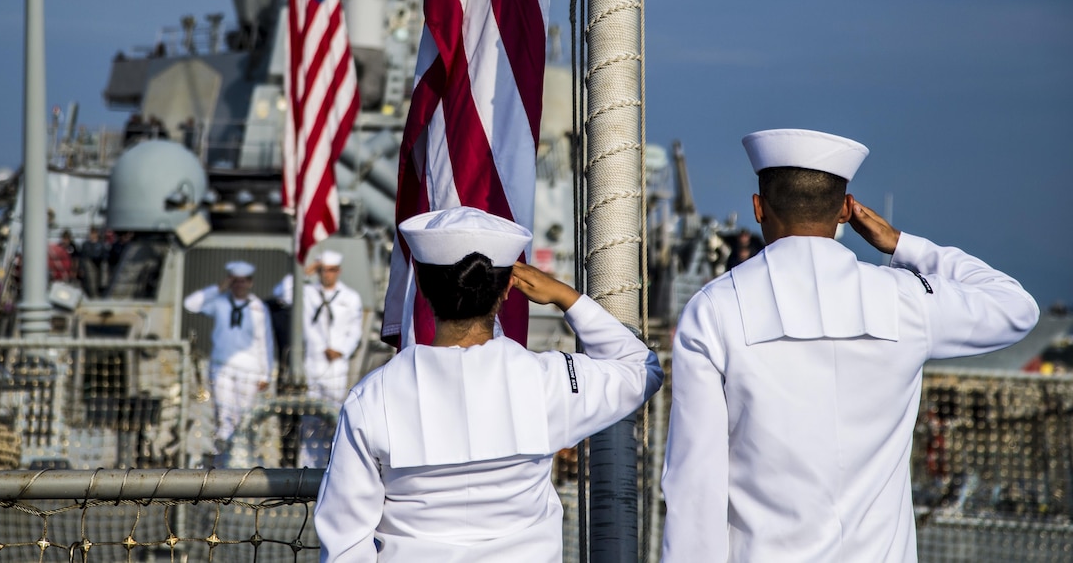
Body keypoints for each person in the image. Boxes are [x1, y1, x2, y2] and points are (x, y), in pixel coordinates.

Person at [661, 128, 1040, 563]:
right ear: (846, 210)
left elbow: (695, 482)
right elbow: (1016, 307)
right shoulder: (906, 301)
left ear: (758, 208)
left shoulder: (714, 309)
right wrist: (901, 243)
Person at [314, 206, 663, 562]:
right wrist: (564, 297)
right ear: (508, 287)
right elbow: (642, 368)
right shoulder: (549, 383)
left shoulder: (372, 398)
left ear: (420, 284)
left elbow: (346, 541)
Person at [274, 249, 364, 467]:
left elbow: (355, 330)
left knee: (334, 418)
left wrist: (341, 349)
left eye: (331, 270)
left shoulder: (350, 298)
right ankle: (308, 466)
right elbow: (281, 292)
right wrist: (306, 271)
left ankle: (331, 465)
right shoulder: (307, 293)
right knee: (310, 420)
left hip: (336, 367)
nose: (327, 275)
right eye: (323, 270)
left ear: (338, 271)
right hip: (312, 365)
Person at [183, 261, 275, 463]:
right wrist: (219, 287)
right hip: (221, 366)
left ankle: (242, 458)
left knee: (245, 416)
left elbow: (264, 341)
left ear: (250, 283)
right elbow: (190, 304)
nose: (239, 285)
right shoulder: (220, 302)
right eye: (235, 281)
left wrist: (265, 374)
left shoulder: (258, 307)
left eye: (243, 281)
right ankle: (224, 459)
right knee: (223, 415)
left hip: (249, 369)